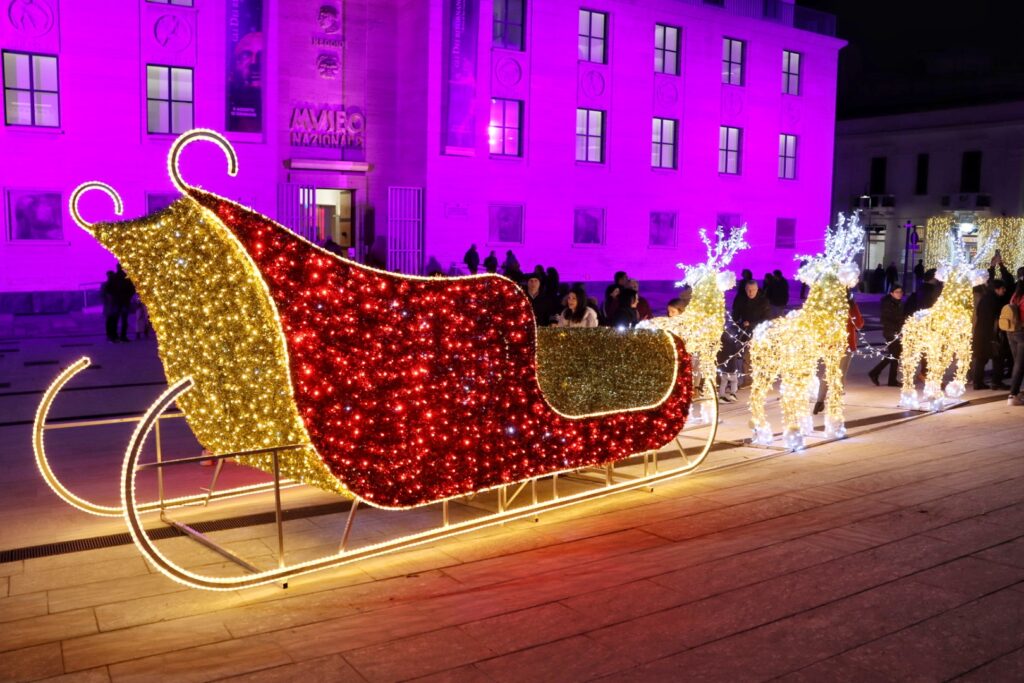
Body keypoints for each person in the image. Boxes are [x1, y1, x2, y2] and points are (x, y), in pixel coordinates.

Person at [814, 292, 864, 414]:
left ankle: (820, 401)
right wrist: (853, 306)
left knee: (829, 372)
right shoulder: (849, 307)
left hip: (831, 345)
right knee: (839, 374)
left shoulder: (828, 306)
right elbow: (859, 324)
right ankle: (834, 403)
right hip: (843, 345)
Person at [971, 280, 1008, 390]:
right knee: (998, 357)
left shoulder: (984, 298)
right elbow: (996, 318)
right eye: (1002, 288)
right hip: (991, 334)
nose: (1004, 291)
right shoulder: (995, 300)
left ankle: (977, 382)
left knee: (981, 358)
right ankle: (996, 381)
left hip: (981, 332)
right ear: (996, 289)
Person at [731, 280, 770, 386]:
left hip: (759, 333)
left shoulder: (763, 301)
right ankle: (747, 379)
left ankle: (762, 378)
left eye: (753, 290)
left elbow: (766, 319)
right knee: (745, 356)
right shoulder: (741, 299)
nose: (750, 292)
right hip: (744, 332)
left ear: (757, 289)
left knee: (757, 356)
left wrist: (751, 323)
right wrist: (737, 324)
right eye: (748, 290)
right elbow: (735, 314)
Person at [869, 285, 906, 387]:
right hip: (891, 332)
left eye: (901, 292)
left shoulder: (900, 303)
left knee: (895, 355)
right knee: (894, 354)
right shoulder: (888, 304)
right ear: (891, 293)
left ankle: (891, 380)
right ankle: (875, 373)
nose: (899, 294)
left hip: (897, 332)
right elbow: (887, 319)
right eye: (897, 292)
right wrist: (897, 327)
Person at [1003, 281, 1024, 405]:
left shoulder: (1015, 296)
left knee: (1018, 363)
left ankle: (1015, 393)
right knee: (1019, 365)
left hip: (1011, 332)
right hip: (1022, 333)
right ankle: (1013, 395)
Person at [717, 317, 742, 402]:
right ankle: (733, 394)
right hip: (730, 365)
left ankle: (721, 396)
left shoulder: (720, 341)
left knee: (723, 382)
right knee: (734, 380)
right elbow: (736, 349)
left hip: (722, 365)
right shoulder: (730, 342)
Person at [112, 264, 135, 342]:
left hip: (116, 301)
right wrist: (128, 296)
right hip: (125, 301)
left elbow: (109, 289)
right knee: (124, 319)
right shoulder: (126, 277)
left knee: (115, 319)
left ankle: (114, 336)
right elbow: (132, 288)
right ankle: (123, 336)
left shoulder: (114, 277)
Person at [100, 271, 119, 343]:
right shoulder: (114, 285)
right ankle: (112, 335)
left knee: (110, 321)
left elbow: (102, 295)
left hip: (109, 306)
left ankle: (110, 335)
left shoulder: (105, 285)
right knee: (113, 321)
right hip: (112, 306)